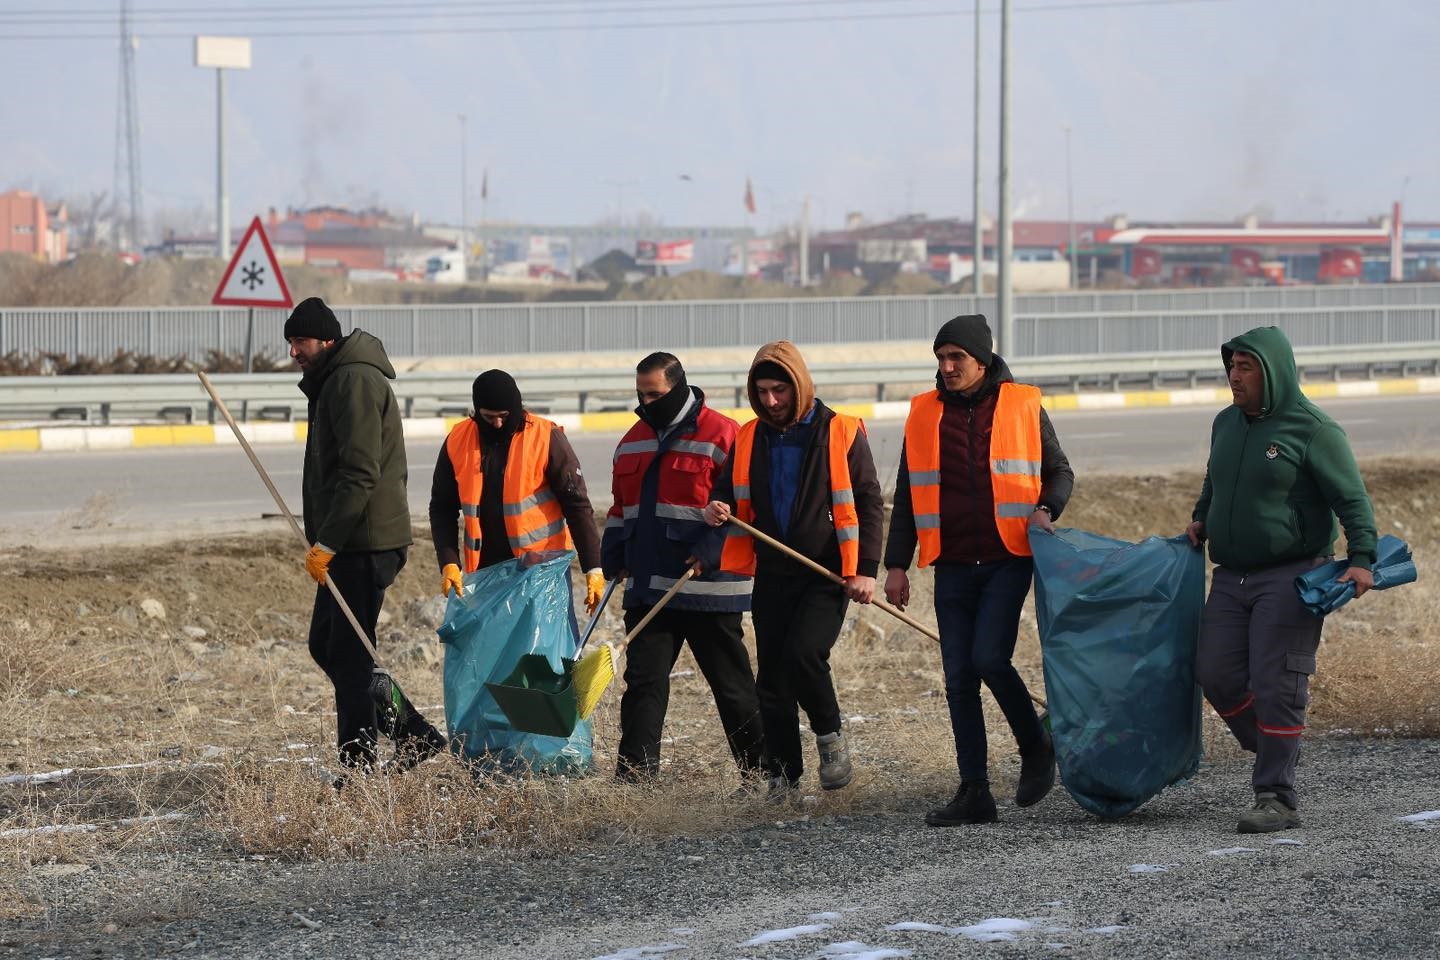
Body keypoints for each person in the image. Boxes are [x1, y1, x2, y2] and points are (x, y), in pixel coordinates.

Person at [883, 314, 1073, 826]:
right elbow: (906, 493)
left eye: (956, 359)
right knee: (958, 679)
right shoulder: (924, 414)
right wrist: (895, 565)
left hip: (1008, 559)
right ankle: (975, 792)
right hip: (952, 564)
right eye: (940, 359)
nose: (946, 368)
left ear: (982, 359)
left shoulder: (1022, 404)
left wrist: (1047, 508)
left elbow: (1060, 470)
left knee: (990, 659)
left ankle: (1036, 747)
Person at [1185, 325, 1375, 834]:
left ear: (1274, 373)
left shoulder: (1314, 429)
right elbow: (1214, 480)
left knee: (1277, 684)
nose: (1234, 376)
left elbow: (1351, 499)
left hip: (1292, 575)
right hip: (1231, 576)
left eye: (1246, 367)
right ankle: (1275, 744)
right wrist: (1202, 516)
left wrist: (1362, 557)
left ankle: (1276, 796)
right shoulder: (1225, 423)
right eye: (1231, 366)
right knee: (1215, 673)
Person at [700, 341, 884, 796]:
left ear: (798, 385)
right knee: (773, 678)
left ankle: (830, 737)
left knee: (805, 654)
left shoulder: (840, 430)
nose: (770, 401)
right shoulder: (748, 435)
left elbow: (868, 502)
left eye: (779, 390)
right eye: (761, 392)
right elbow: (726, 493)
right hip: (773, 571)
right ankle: (785, 776)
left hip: (826, 572)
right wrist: (716, 509)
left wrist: (865, 570)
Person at [287, 296, 446, 776]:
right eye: (291, 342)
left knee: (351, 656)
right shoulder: (334, 379)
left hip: (364, 541)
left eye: (301, 341)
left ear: (327, 340)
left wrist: (328, 542)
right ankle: (413, 734)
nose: (294, 351)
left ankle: (357, 767)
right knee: (328, 646)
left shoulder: (353, 379)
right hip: (349, 541)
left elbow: (359, 471)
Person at [600, 352, 765, 783]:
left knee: (732, 688)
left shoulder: (723, 434)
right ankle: (635, 781)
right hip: (650, 587)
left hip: (708, 585)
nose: (646, 401)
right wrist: (613, 554)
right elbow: (621, 508)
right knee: (643, 684)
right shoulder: (632, 440)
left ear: (678, 387)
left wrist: (712, 549)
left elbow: (745, 507)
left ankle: (764, 774)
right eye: (640, 393)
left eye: (654, 393)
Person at [428, 369, 604, 628]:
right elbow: (442, 508)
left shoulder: (545, 437)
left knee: (547, 654)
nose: (497, 424)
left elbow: (576, 504)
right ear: (477, 412)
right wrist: (449, 562)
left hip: (542, 571)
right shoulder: (458, 440)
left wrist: (593, 567)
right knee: (496, 654)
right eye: (489, 417)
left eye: (504, 416)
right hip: (487, 571)